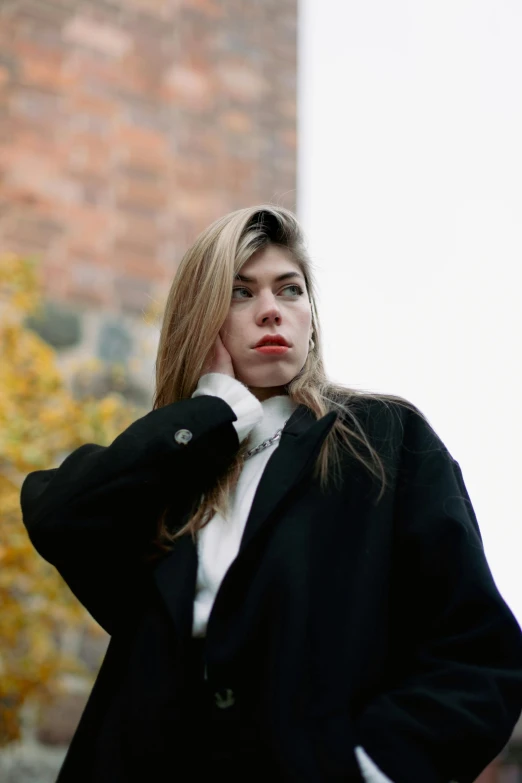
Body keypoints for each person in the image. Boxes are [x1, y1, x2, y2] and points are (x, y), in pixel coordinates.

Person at [21, 204, 522, 783]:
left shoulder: (380, 436)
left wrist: (369, 766)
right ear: (201, 318)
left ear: (311, 315)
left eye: (290, 290)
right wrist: (214, 410)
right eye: (240, 293)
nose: (270, 312)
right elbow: (59, 515)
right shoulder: (174, 463)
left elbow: (478, 653)